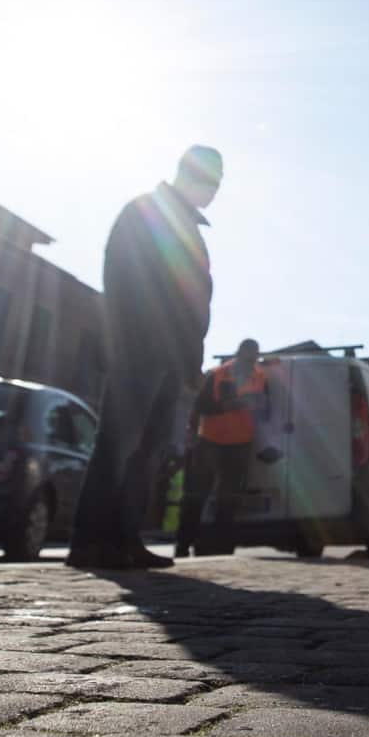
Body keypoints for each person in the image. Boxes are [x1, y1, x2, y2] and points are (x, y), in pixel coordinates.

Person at [68, 145, 220, 571]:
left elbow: (189, 300)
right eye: (211, 182)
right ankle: (91, 542)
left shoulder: (182, 223)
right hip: (142, 348)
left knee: (146, 448)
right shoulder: (146, 213)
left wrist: (187, 359)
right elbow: (131, 282)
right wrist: (143, 342)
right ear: (191, 176)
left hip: (167, 355)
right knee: (121, 442)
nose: (213, 193)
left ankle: (123, 539)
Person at [179, 338, 271, 557]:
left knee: (229, 498)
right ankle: (183, 545)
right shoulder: (217, 374)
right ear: (238, 354)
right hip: (210, 442)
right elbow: (200, 406)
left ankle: (220, 548)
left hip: (240, 444)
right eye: (248, 357)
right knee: (196, 495)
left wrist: (257, 405)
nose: (251, 362)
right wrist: (228, 406)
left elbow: (267, 411)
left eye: (254, 358)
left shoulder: (260, 378)